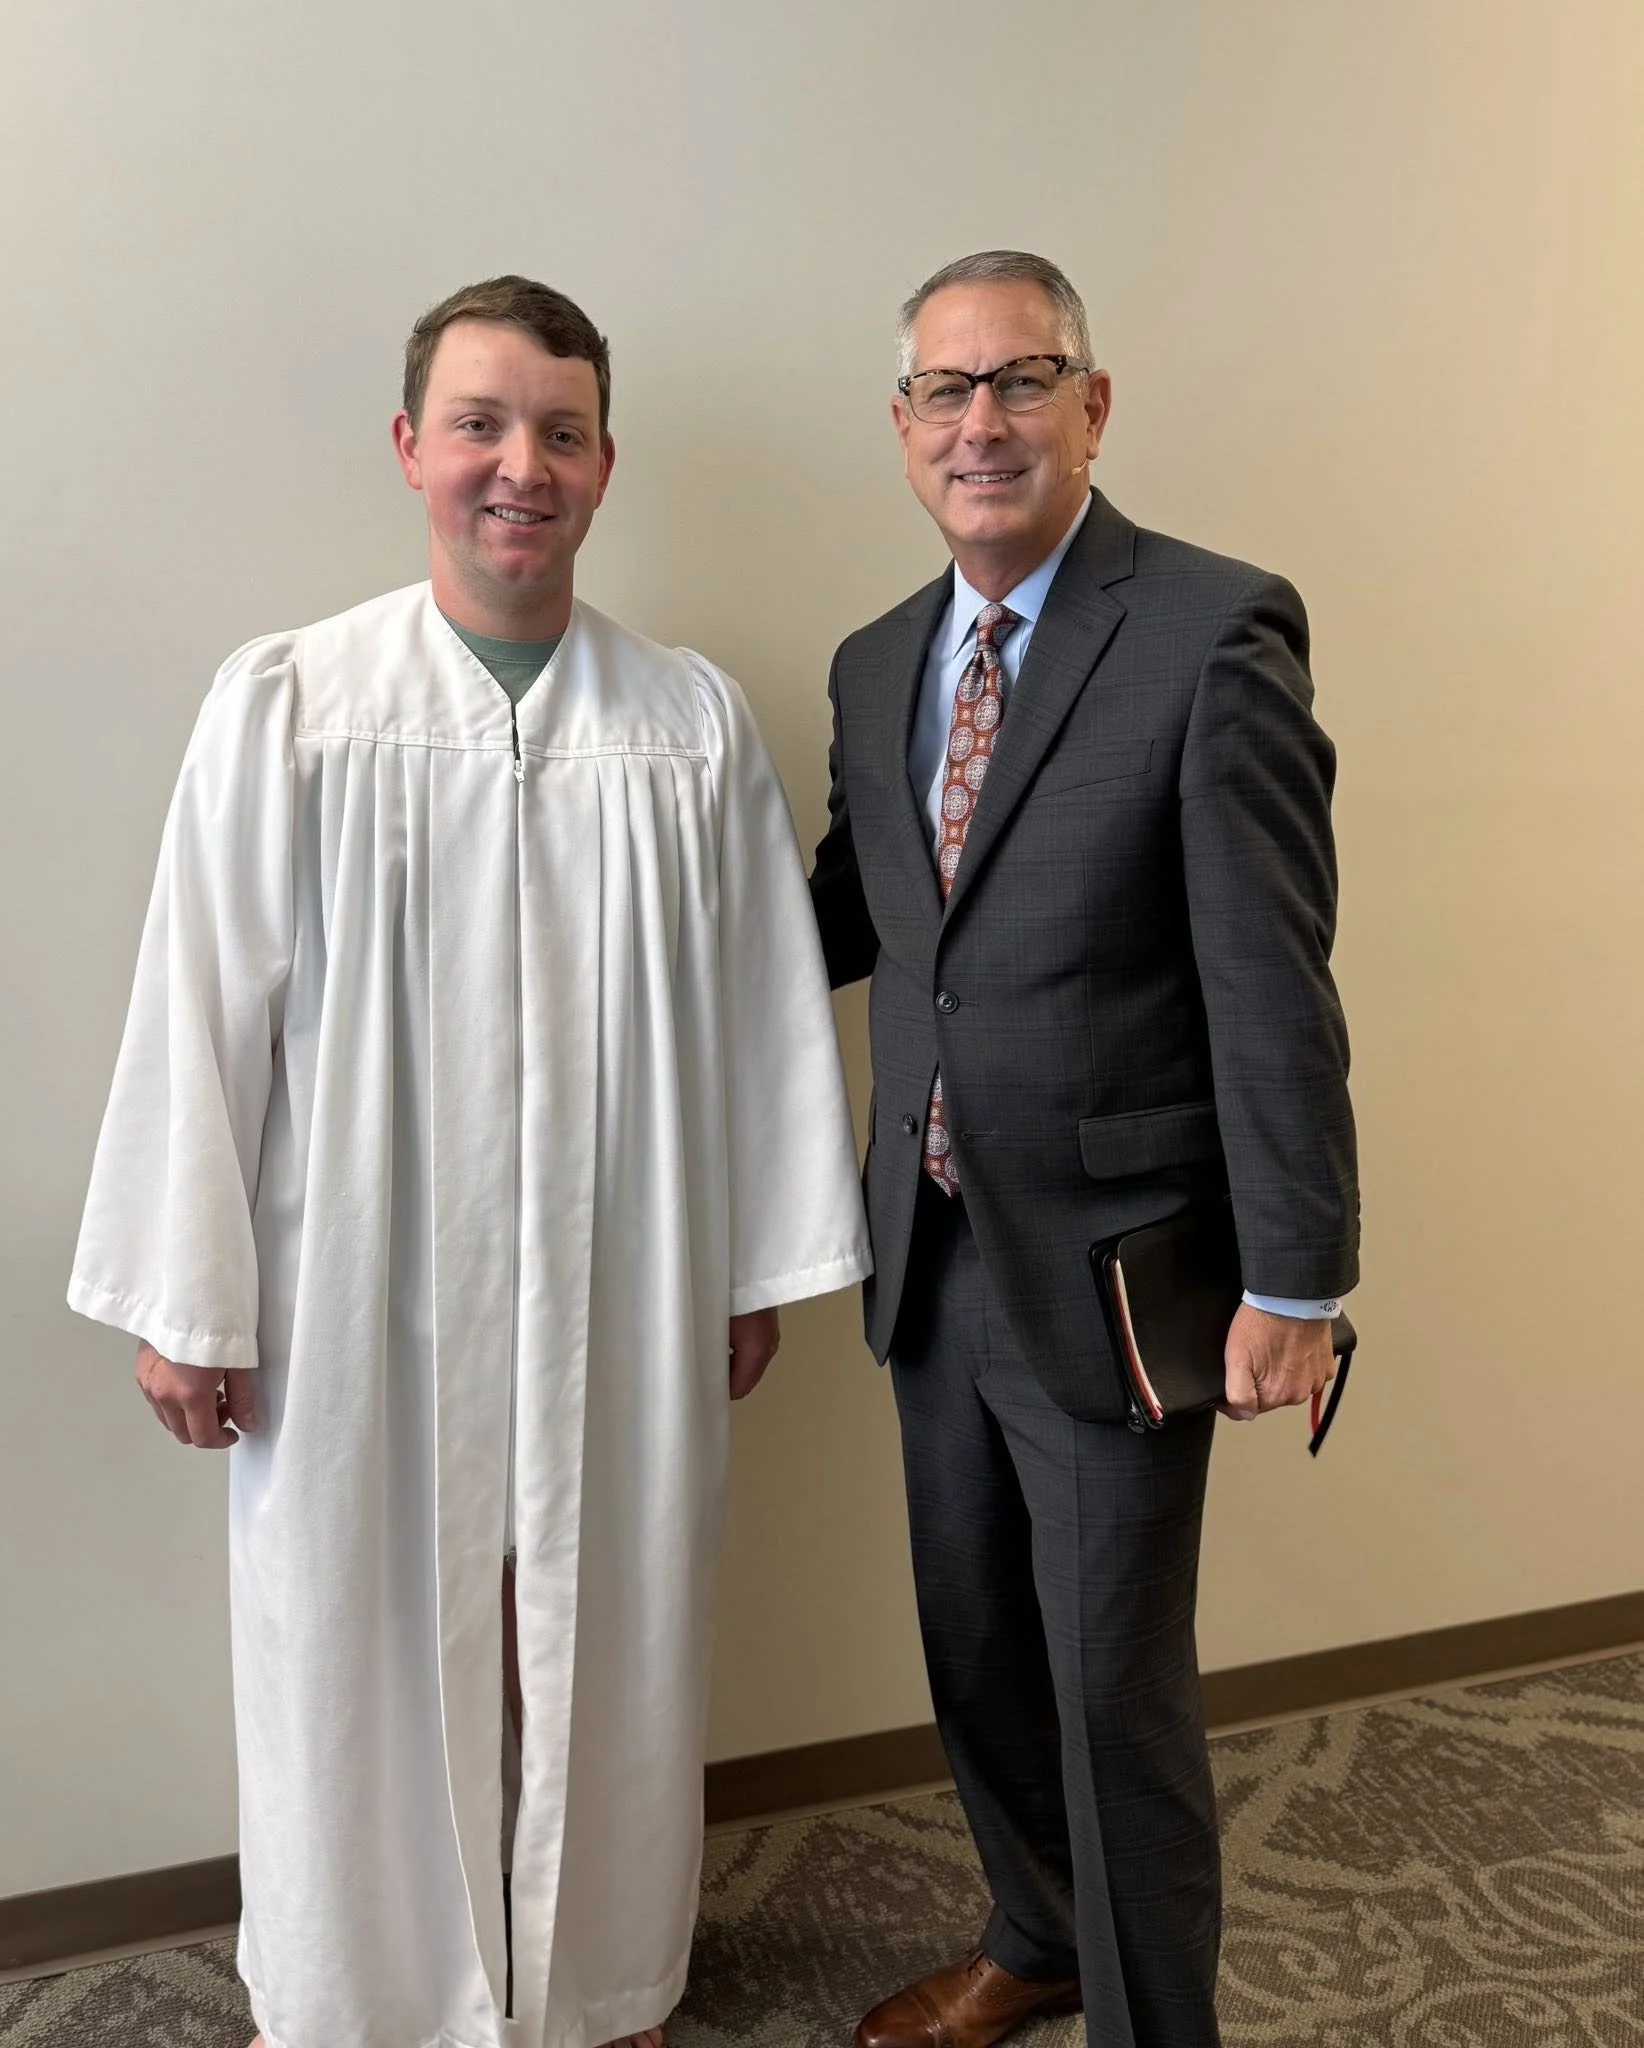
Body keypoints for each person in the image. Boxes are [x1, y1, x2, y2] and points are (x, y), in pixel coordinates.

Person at [69, 275, 870, 2048]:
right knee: (348, 1628)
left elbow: (759, 1013)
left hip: (622, 1262)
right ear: (410, 444)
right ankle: (355, 1995)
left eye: (561, 432)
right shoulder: (293, 704)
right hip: (355, 1274)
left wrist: (752, 1268)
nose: (523, 466)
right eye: (482, 425)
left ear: (606, 465)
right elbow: (200, 1003)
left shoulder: (685, 724)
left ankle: (598, 1983)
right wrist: (189, 1297)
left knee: (611, 1617)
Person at [809, 251, 1359, 2048]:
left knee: (1113, 1695)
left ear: (1092, 407)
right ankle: (1034, 1939)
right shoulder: (876, 663)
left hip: (1121, 1273)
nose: (982, 423)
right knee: (976, 1650)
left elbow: (1270, 977)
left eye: (1022, 380)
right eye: (946, 391)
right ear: (904, 427)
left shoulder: (1211, 628)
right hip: (930, 1258)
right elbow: (854, 916)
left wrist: (1298, 1280)